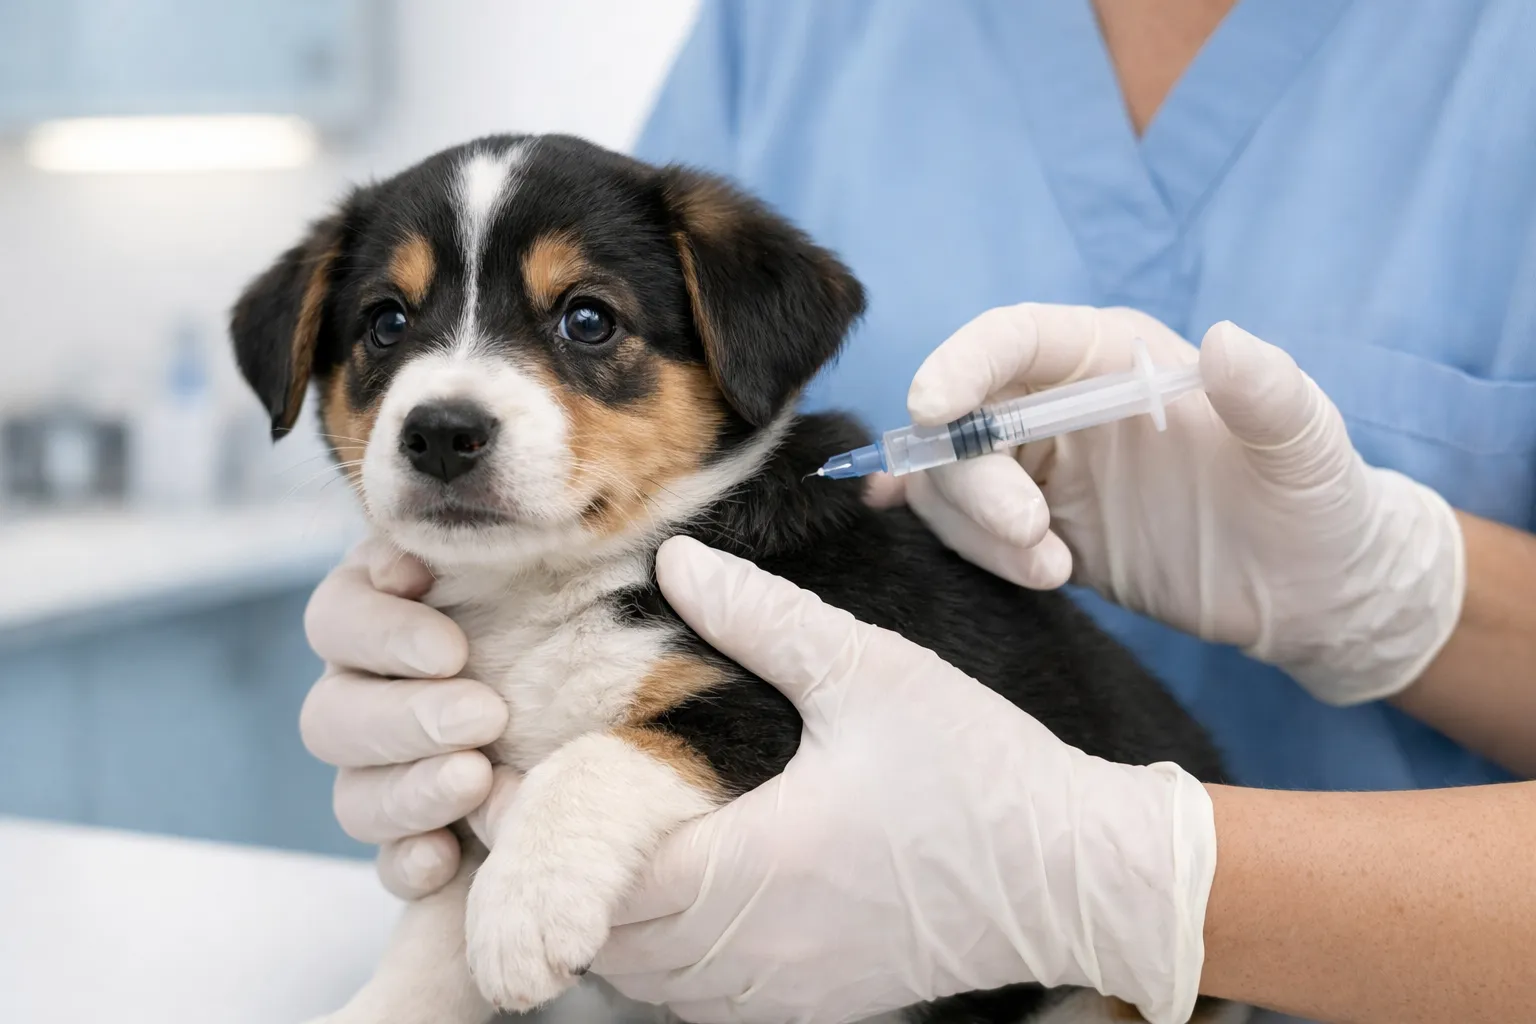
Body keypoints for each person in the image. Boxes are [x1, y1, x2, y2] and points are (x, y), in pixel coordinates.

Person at [297, 2, 1536, 1021]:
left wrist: (1406, 596)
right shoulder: (786, 31)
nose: (455, 388)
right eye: (389, 327)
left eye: (584, 322)